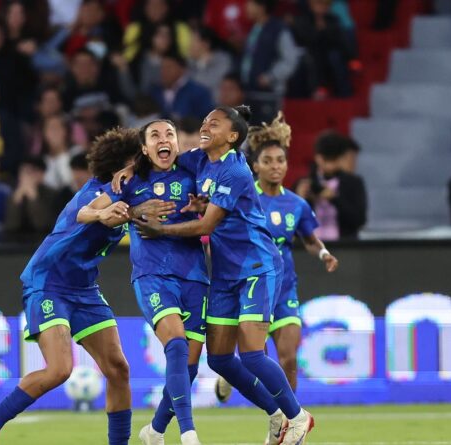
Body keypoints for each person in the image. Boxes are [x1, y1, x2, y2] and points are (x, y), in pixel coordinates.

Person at [125, 105, 316, 445]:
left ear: (231, 137)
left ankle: (298, 416)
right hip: (225, 273)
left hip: (256, 265)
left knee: (254, 354)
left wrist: (161, 230)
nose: (204, 125)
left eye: (214, 123)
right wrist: (125, 170)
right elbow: (157, 161)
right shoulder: (199, 159)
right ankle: (274, 416)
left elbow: (206, 225)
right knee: (220, 359)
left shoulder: (236, 171)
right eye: (204, 120)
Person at [0, 128, 149, 445]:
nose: (139, 168)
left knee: (119, 369)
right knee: (59, 369)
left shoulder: (133, 191)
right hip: (49, 283)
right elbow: (88, 212)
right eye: (135, 163)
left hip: (84, 289)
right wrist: (103, 213)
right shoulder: (94, 192)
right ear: (117, 167)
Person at [81, 119, 206, 445]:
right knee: (176, 344)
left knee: (189, 366)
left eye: (169, 135)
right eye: (155, 136)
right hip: (153, 276)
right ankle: (189, 434)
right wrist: (130, 211)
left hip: (195, 275)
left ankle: (155, 431)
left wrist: (204, 208)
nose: (164, 140)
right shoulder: (131, 181)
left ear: (177, 144)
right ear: (145, 148)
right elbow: (86, 211)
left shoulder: (193, 172)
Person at [248, 112, 339, 390]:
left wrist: (324, 254)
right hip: (251, 289)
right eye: (268, 161)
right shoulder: (243, 200)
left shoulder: (296, 205)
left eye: (280, 160)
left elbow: (310, 239)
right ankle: (232, 376)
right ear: (255, 166)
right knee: (255, 361)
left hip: (285, 289)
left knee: (288, 360)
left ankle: (289, 427)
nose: (275, 167)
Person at [297, 131, 367, 240]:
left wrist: (335, 199)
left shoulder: (353, 183)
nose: (330, 165)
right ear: (318, 158)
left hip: (344, 247)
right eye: (327, 160)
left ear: (340, 158)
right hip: (310, 249)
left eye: (334, 160)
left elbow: (359, 220)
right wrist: (300, 200)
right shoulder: (304, 184)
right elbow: (288, 223)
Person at [241, 0, 300, 124]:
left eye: (251, 4)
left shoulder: (278, 29)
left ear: (262, 7)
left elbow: (290, 59)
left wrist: (271, 76)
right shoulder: (254, 28)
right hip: (249, 93)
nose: (246, 7)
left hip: (268, 96)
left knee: (266, 136)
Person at [291, 0, 354, 98]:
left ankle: (344, 93)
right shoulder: (302, 20)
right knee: (308, 59)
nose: (321, 7)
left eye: (325, 4)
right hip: (311, 54)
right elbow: (304, 39)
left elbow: (339, 41)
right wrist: (319, 31)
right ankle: (312, 91)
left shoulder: (333, 20)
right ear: (311, 5)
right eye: (318, 4)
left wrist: (324, 30)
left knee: (335, 57)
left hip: (328, 54)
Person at [148, 53, 215, 121]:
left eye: (168, 67)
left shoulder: (199, 93)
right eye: (162, 68)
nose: (164, 71)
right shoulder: (154, 91)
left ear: (182, 69)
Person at [4, 156, 57, 241]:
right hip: (14, 245)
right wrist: (16, 202)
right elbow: (10, 227)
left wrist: (34, 199)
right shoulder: (12, 193)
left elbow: (43, 225)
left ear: (41, 174)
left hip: (42, 242)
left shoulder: (52, 194)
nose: (26, 176)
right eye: (23, 172)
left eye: (30, 172)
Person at [188, 26, 233, 102]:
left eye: (193, 41)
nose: (190, 45)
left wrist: (202, 64)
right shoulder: (190, 63)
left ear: (206, 44)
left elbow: (202, 86)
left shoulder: (222, 61)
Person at [41, 114, 82, 191]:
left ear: (65, 131)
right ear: (45, 134)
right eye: (51, 129)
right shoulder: (42, 161)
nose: (55, 132)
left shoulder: (77, 153)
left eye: (58, 127)